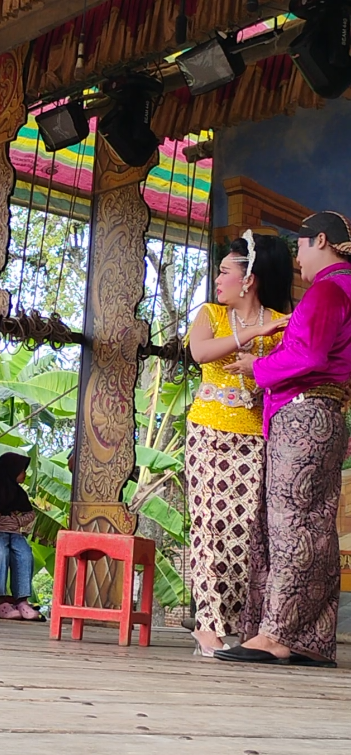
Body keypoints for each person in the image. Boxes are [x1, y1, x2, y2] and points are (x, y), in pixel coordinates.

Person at [217, 211, 351, 668]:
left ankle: (275, 635)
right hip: (328, 414)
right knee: (316, 526)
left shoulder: (328, 290)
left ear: (321, 240)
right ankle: (311, 637)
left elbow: (308, 354)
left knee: (290, 524)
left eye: (301, 246)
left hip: (303, 415)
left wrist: (257, 367)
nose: (298, 258)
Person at [186, 230, 293, 656]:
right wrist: (252, 334)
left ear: (248, 279)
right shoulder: (210, 314)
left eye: (225, 272)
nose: (217, 279)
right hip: (207, 431)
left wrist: (265, 340)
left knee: (244, 529)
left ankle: (240, 623)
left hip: (254, 436)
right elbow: (200, 353)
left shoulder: (282, 324)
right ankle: (207, 624)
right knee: (207, 522)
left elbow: (287, 373)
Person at [0, 452, 41, 621]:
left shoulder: (19, 493)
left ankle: (22, 601)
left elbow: (30, 514)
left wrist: (17, 521)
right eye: (22, 470)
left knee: (25, 553)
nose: (25, 474)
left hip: (14, 532)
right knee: (0, 552)